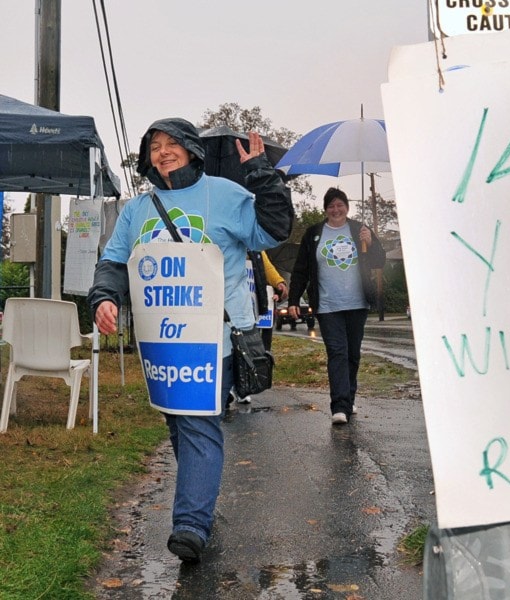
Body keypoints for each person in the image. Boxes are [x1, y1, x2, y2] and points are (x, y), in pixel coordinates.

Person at [87, 118, 292, 563]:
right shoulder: (137, 210)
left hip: (215, 337)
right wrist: (104, 296)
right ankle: (199, 502)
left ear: (191, 149)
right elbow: (115, 261)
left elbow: (274, 229)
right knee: (179, 423)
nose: (162, 152)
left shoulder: (226, 194)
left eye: (171, 143)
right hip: (160, 343)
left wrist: (261, 174)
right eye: (154, 146)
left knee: (199, 422)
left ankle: (190, 526)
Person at [287, 187, 386, 425]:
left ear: (347, 207)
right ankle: (339, 406)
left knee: (352, 354)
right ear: (325, 209)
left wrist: (370, 243)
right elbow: (301, 270)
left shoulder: (359, 230)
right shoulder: (314, 234)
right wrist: (293, 300)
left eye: (340, 204)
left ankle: (349, 399)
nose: (336, 209)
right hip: (327, 305)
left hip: (357, 303)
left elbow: (379, 261)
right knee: (337, 353)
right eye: (331, 205)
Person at [229, 250, 287, 405]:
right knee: (227, 347)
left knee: (243, 348)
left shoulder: (253, 246)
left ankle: (240, 387)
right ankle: (227, 387)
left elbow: (266, 266)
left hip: (247, 306)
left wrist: (279, 282)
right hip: (225, 303)